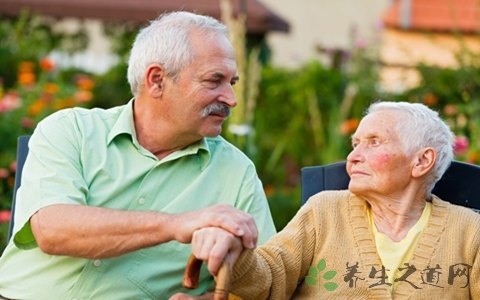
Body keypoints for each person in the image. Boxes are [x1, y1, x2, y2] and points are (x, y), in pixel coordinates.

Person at [0, 11, 276, 299]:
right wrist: (176, 225)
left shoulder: (237, 171)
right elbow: (53, 229)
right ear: (157, 80)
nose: (230, 99)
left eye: (231, 83)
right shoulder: (71, 130)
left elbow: (269, 277)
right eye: (213, 80)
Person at [180, 101, 480, 299]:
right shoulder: (323, 212)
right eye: (355, 144)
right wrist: (237, 253)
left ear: (421, 161)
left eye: (374, 142)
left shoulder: (470, 232)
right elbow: (270, 276)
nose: (352, 157)